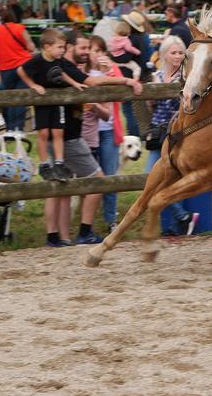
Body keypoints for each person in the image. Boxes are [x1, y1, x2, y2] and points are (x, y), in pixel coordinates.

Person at [42, 33, 142, 247]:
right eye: (83, 47)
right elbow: (94, 80)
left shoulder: (56, 65)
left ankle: (57, 238)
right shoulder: (66, 66)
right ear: (69, 47)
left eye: (89, 48)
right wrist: (126, 79)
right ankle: (84, 233)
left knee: (59, 187)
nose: (86, 52)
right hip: (68, 136)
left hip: (53, 133)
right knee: (98, 180)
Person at [143, 36, 199, 233]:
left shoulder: (186, 77)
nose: (177, 56)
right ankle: (181, 217)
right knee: (149, 176)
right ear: (164, 55)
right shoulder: (156, 77)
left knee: (168, 178)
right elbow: (150, 105)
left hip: (176, 134)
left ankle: (178, 222)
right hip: (158, 134)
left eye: (180, 52)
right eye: (173, 52)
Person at [19, 29, 87, 182]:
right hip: (43, 102)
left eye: (63, 47)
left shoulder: (59, 60)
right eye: (60, 47)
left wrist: (75, 83)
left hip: (57, 100)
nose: (62, 51)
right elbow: (21, 71)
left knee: (58, 132)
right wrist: (33, 85)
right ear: (47, 47)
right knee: (43, 133)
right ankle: (44, 164)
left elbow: (61, 73)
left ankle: (59, 163)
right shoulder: (37, 60)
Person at [86, 36, 125, 231]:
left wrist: (109, 71)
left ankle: (111, 220)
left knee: (110, 176)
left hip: (109, 131)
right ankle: (88, 222)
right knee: (91, 178)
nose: (98, 55)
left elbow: (121, 90)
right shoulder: (83, 72)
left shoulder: (112, 69)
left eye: (101, 51)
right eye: (95, 51)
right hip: (89, 134)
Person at [0, 7, 35, 131]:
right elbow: (31, 47)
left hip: (7, 68)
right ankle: (18, 129)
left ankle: (10, 128)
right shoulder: (20, 28)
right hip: (24, 66)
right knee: (20, 98)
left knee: (8, 98)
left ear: (1, 18)